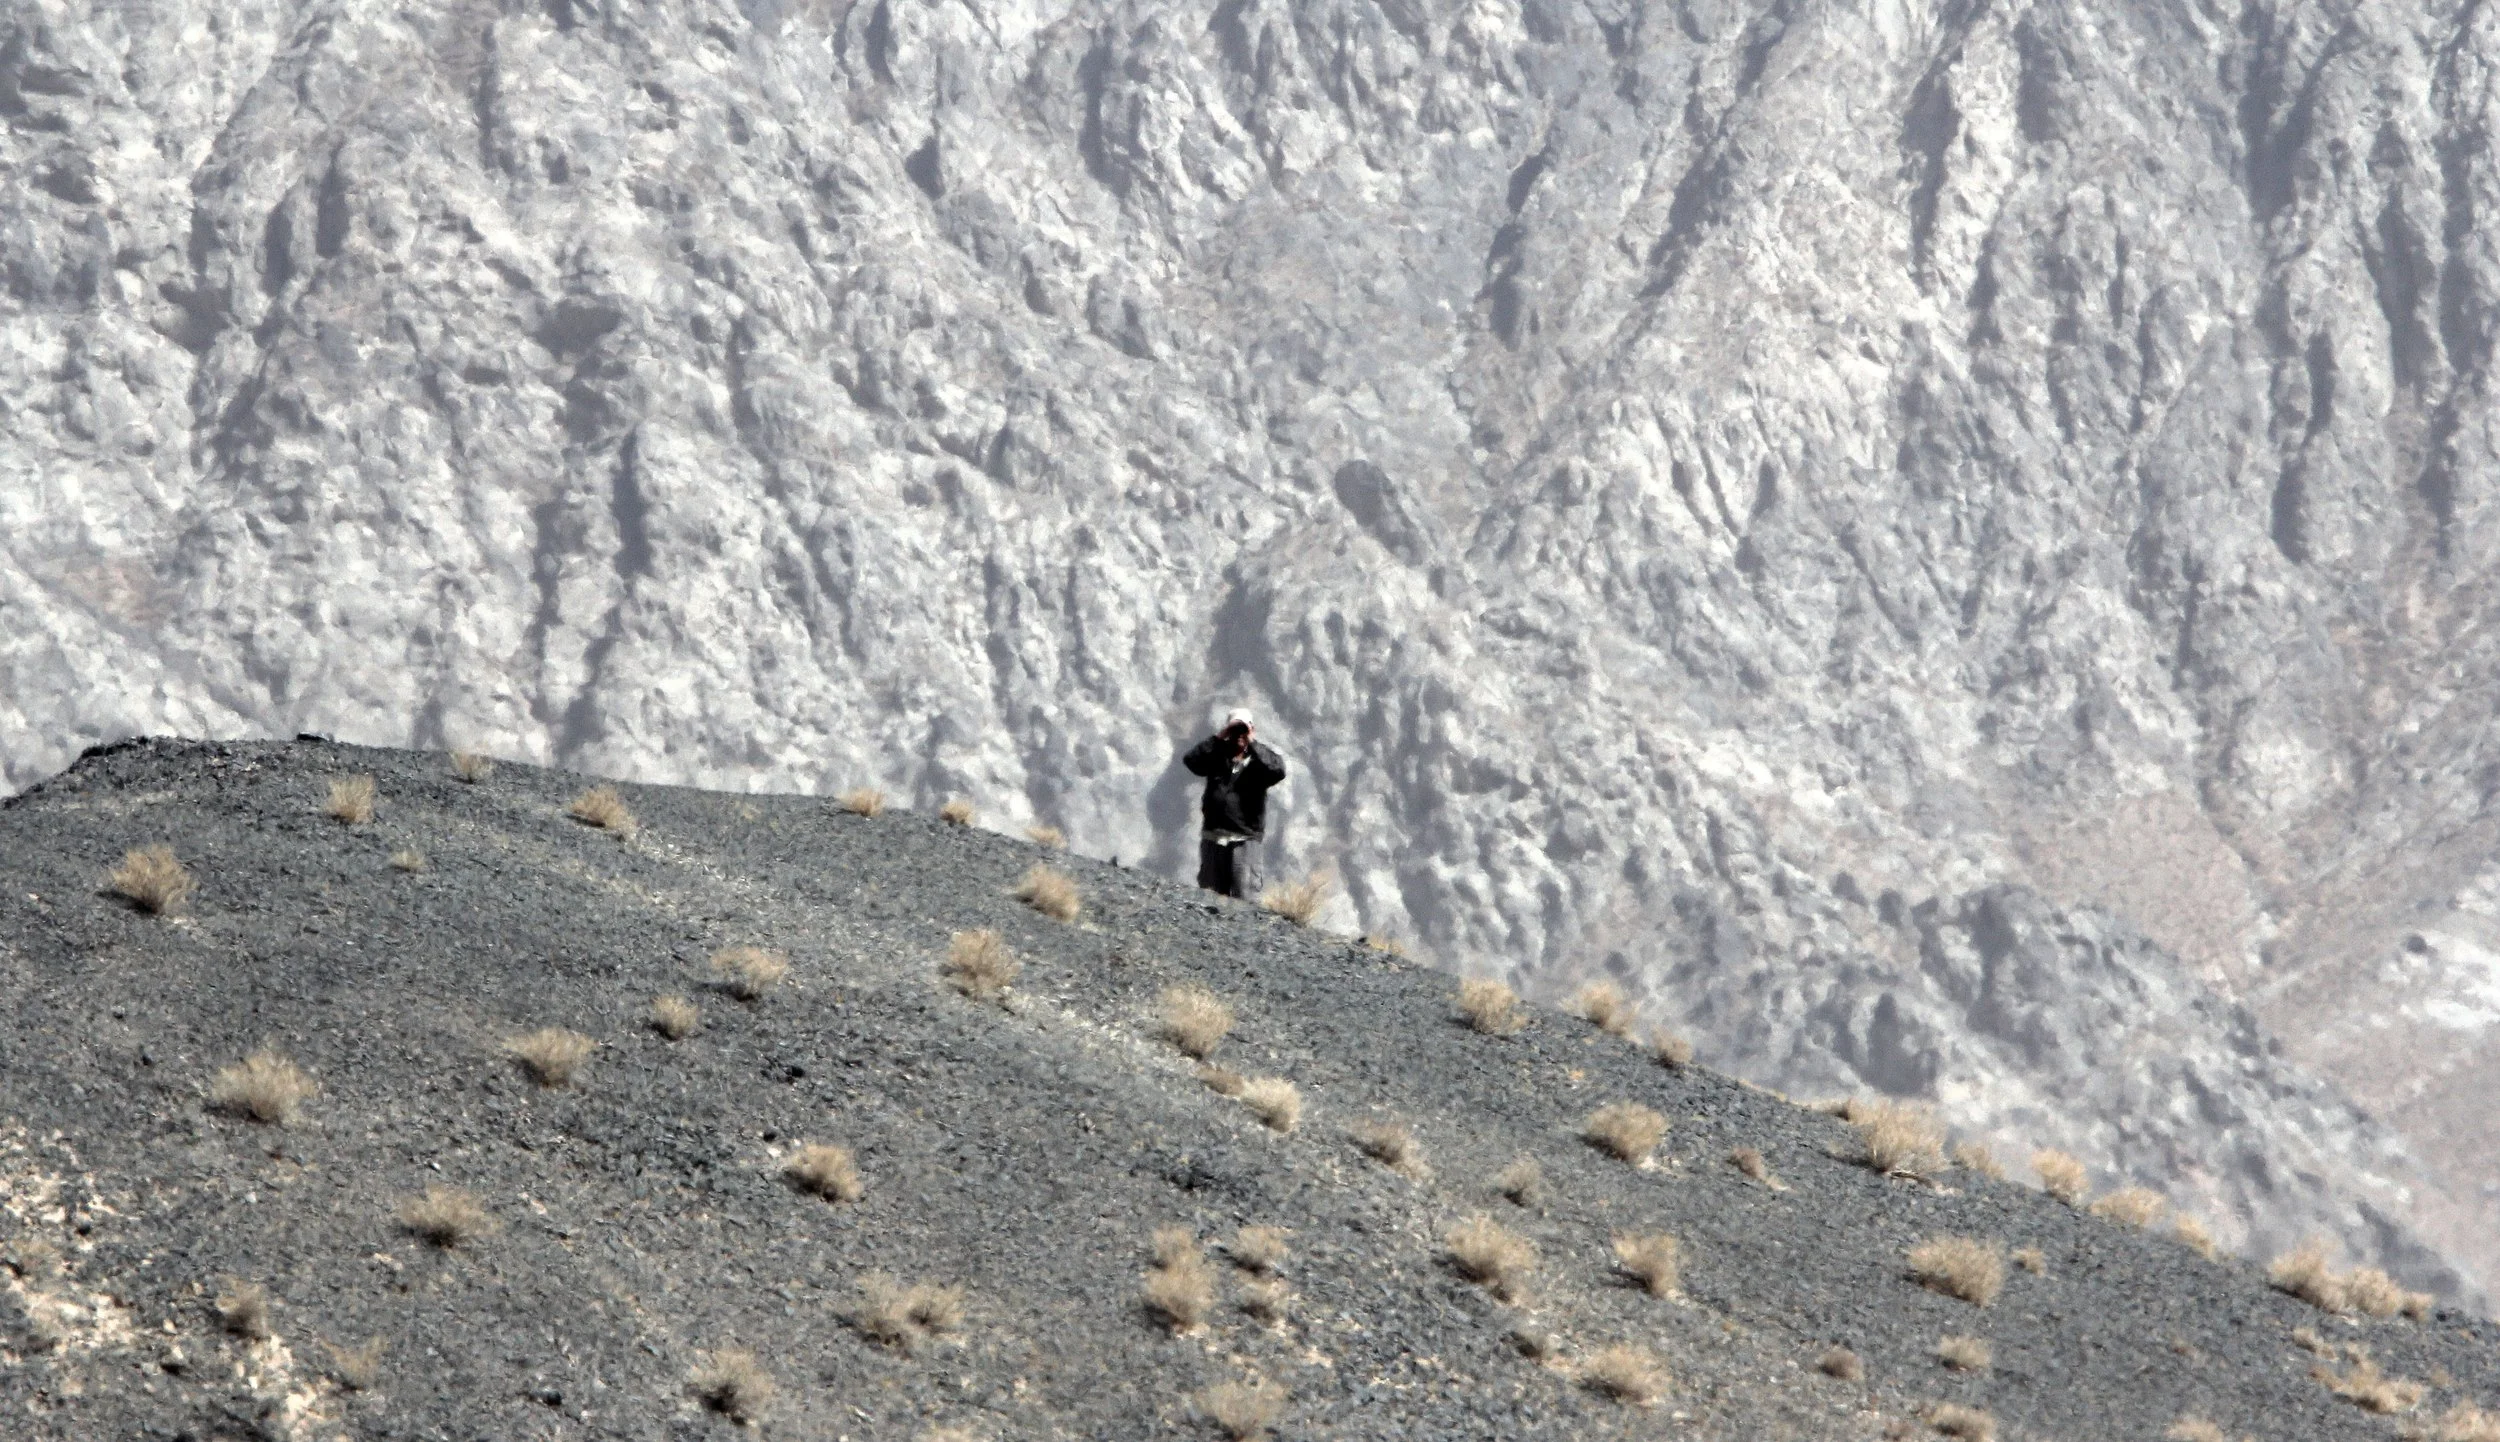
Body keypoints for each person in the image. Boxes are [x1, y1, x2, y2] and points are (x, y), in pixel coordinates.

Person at [1183, 708, 1286, 898]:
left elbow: (1278, 770)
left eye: (1243, 729)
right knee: (1210, 899)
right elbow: (1191, 761)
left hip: (1245, 840)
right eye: (1235, 729)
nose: (1239, 734)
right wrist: (1218, 738)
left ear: (1251, 729)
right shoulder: (1217, 755)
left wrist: (1252, 742)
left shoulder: (1259, 761)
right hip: (1214, 838)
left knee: (1245, 899)